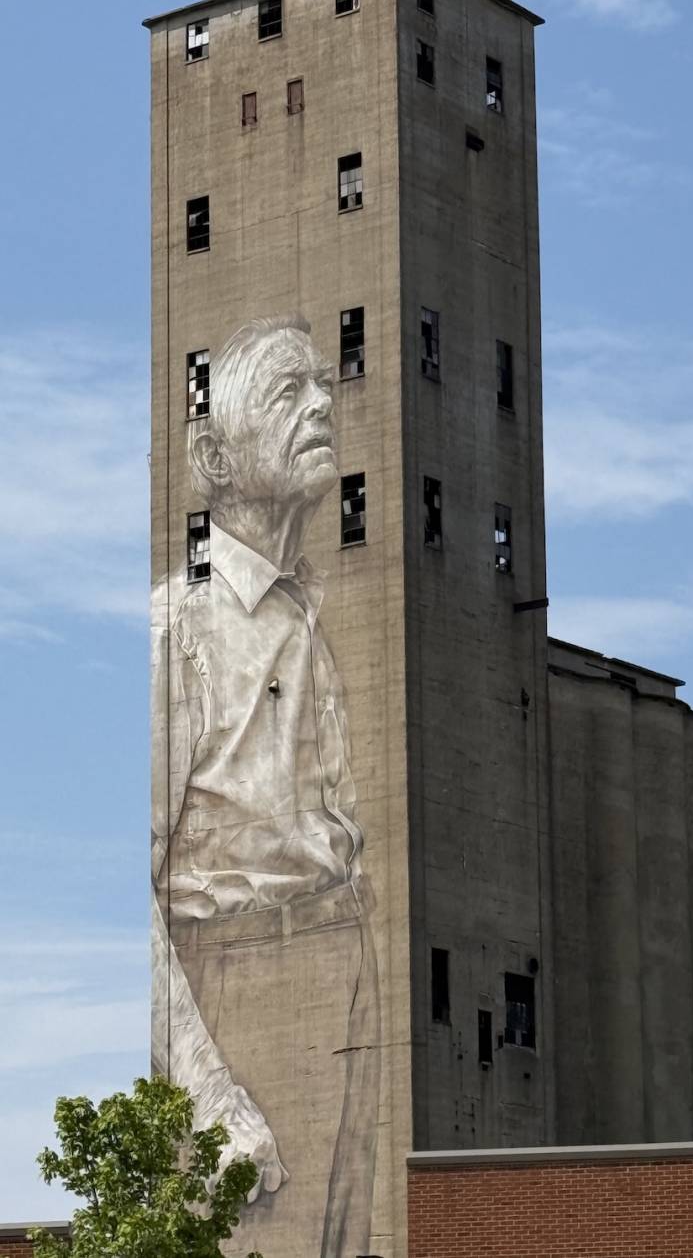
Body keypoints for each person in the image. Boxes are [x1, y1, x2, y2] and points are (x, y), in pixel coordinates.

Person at [150, 315, 380, 1258]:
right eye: (289, 392)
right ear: (212, 453)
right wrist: (210, 1092)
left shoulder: (302, 618)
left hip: (344, 981)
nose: (325, 403)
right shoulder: (179, 633)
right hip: (236, 988)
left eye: (325, 384)